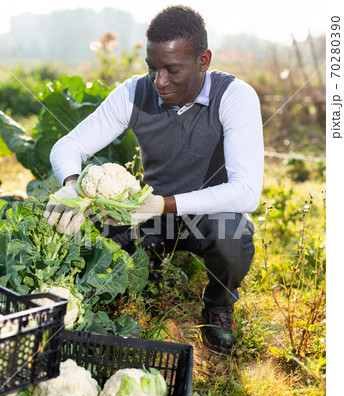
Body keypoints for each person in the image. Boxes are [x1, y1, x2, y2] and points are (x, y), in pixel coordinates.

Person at [44, 5, 264, 355]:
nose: (159, 81)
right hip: (147, 217)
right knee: (92, 234)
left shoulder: (235, 97)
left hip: (206, 217)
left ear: (203, 60)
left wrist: (166, 203)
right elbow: (68, 145)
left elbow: (247, 192)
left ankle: (219, 305)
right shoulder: (134, 93)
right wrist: (72, 187)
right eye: (152, 68)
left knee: (232, 239)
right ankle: (135, 282)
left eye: (171, 69)